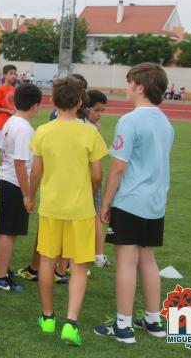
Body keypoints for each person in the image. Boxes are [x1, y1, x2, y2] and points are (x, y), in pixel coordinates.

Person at [94, 63, 174, 344]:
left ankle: (123, 326)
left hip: (131, 201)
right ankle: (153, 320)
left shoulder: (130, 120)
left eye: (129, 84)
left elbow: (118, 167)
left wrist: (105, 203)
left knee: (126, 262)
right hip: (155, 202)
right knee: (148, 260)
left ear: (139, 87)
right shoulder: (165, 121)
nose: (126, 89)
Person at [31, 76, 108, 346]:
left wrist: (30, 195)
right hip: (81, 210)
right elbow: (97, 174)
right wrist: (88, 192)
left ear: (53, 101)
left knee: (48, 261)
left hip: (51, 206)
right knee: (78, 266)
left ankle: (48, 316)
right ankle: (71, 322)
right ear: (80, 103)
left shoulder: (42, 131)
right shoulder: (90, 132)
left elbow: (37, 171)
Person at [0, 83, 41, 293]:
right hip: (15, 184)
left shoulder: (12, 121)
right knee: (9, 232)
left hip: (9, 181)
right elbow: (20, 163)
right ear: (36, 106)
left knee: (7, 231)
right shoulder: (23, 128)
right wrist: (27, 194)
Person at [83, 90, 110, 268]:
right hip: (87, 178)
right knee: (94, 215)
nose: (100, 114)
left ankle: (97, 254)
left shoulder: (89, 126)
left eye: (102, 111)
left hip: (88, 178)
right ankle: (96, 254)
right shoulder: (89, 129)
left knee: (95, 215)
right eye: (97, 110)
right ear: (86, 109)